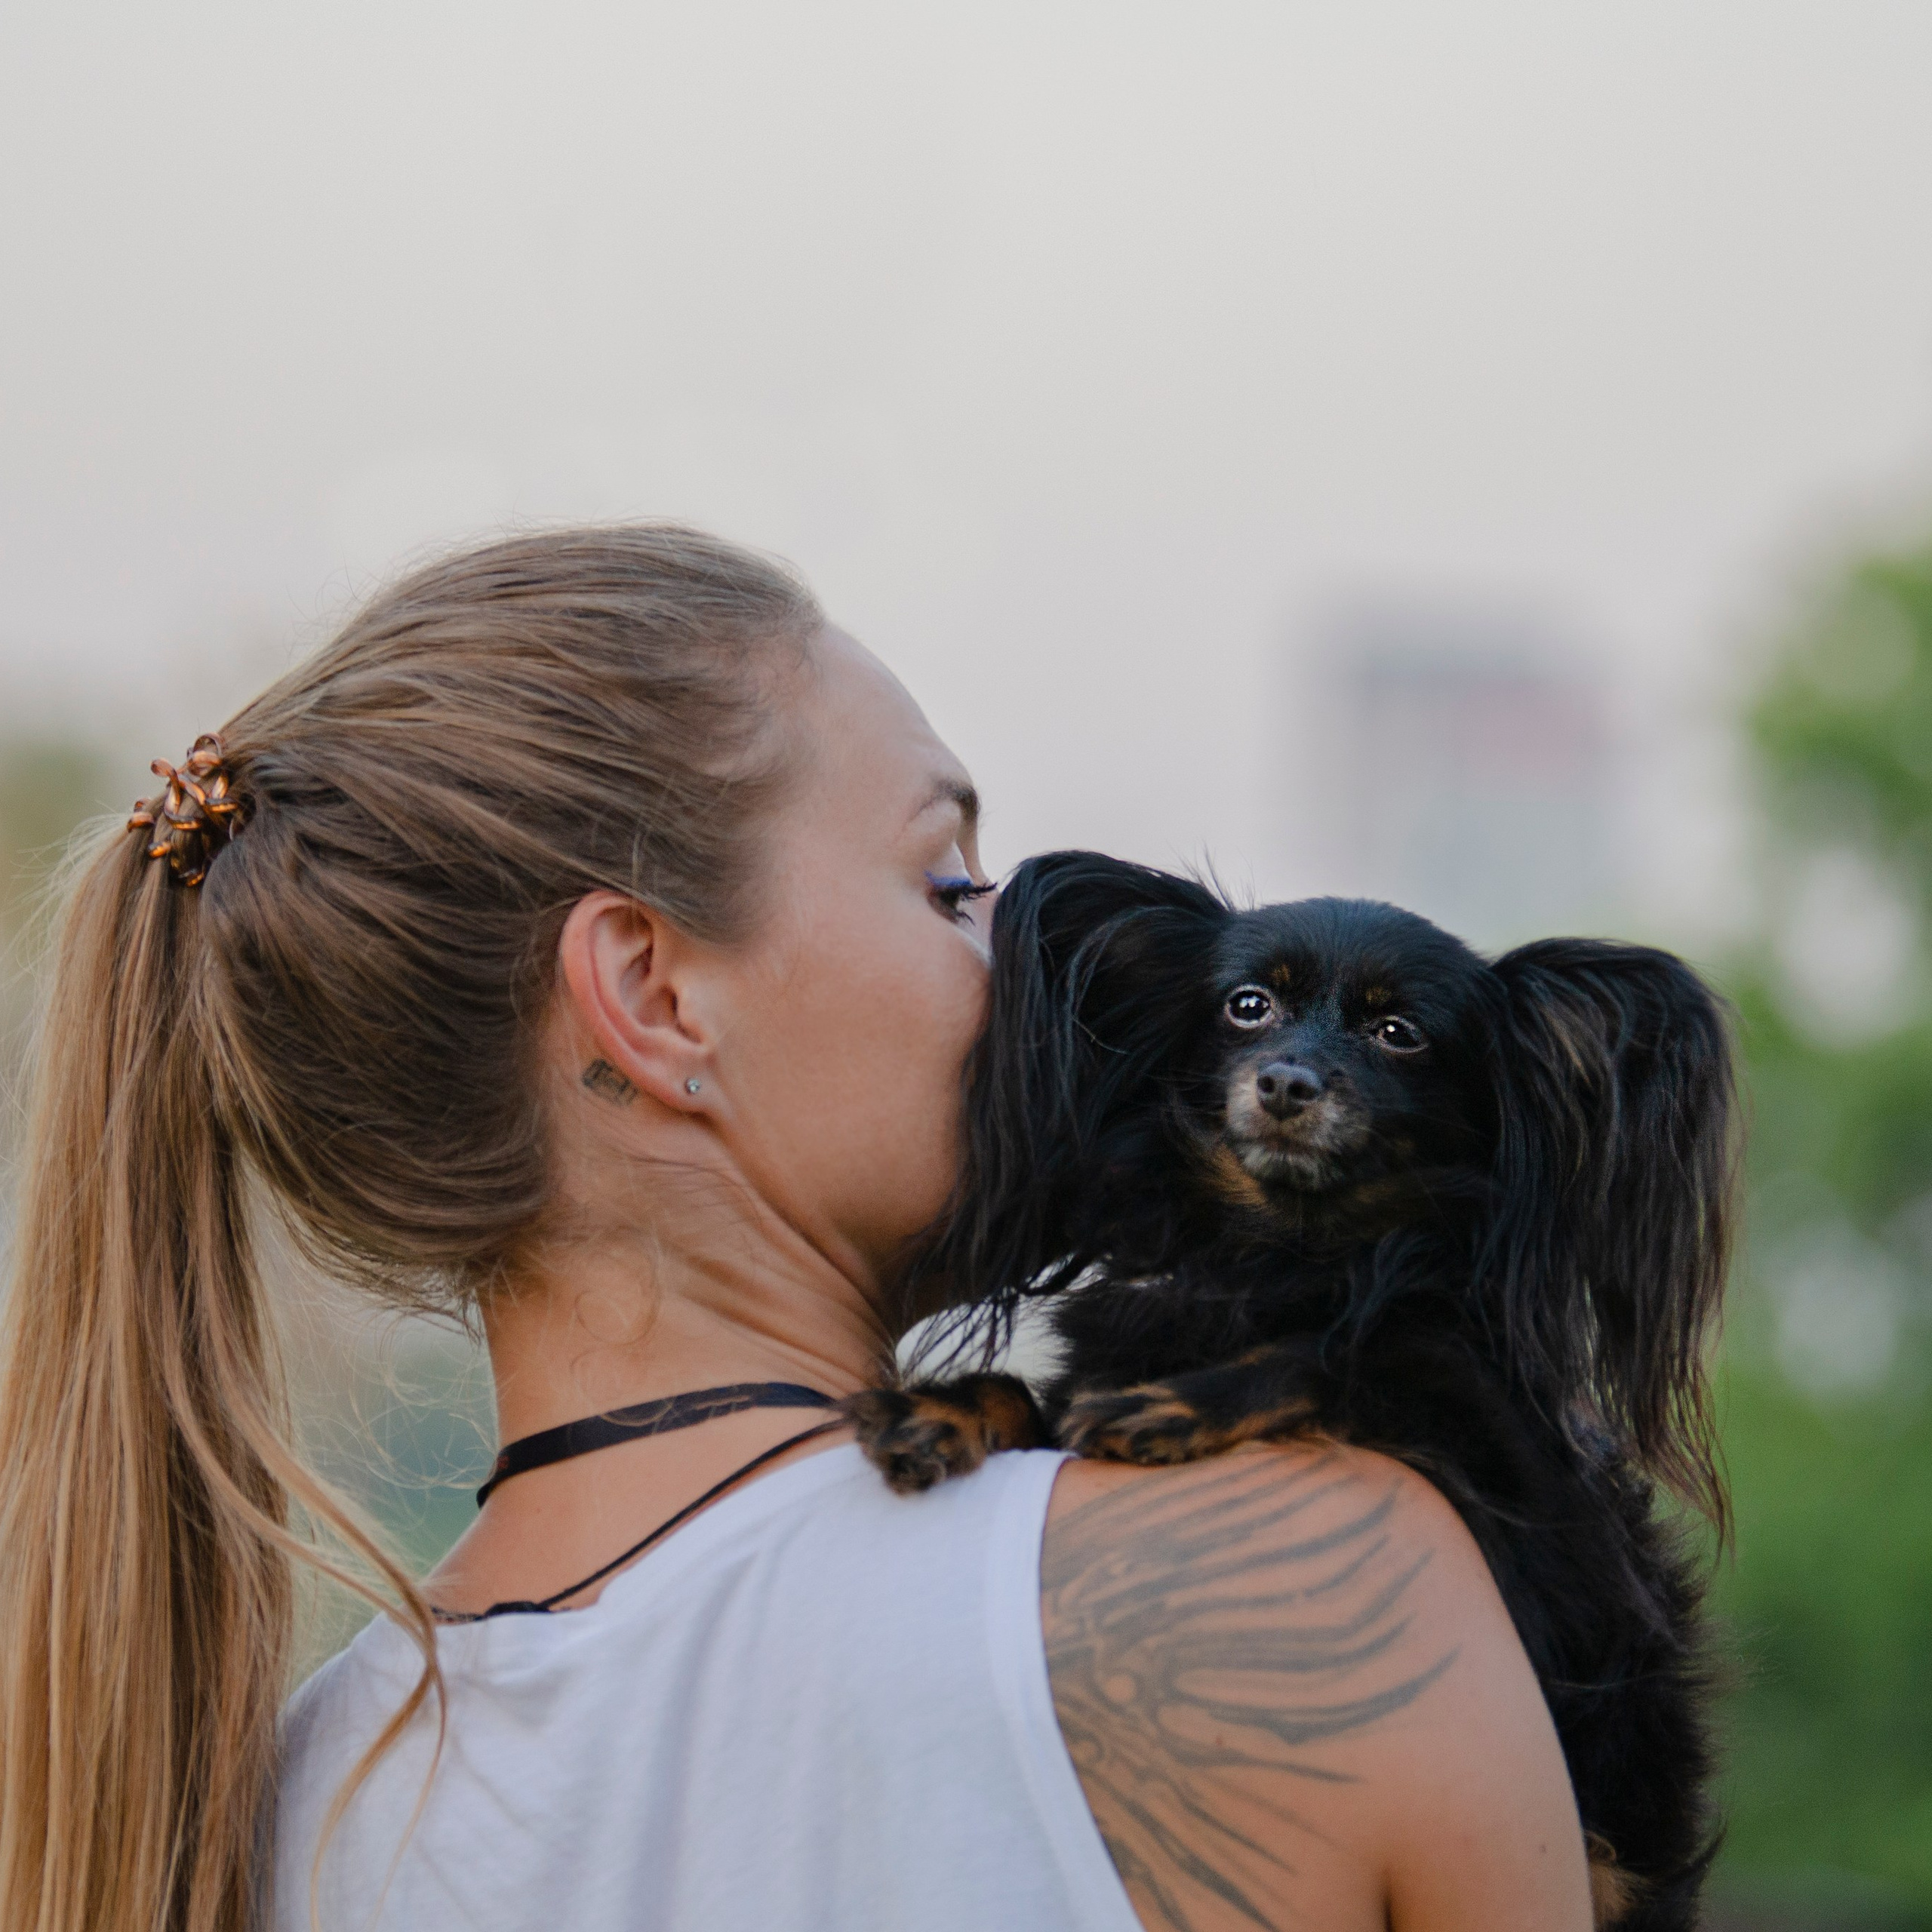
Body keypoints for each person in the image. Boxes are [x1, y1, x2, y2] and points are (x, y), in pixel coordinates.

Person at [0, 527, 1592, 1932]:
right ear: (651, 994)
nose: (1025, 955)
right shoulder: (1306, 1577)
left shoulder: (266, 1823)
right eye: (946, 876)